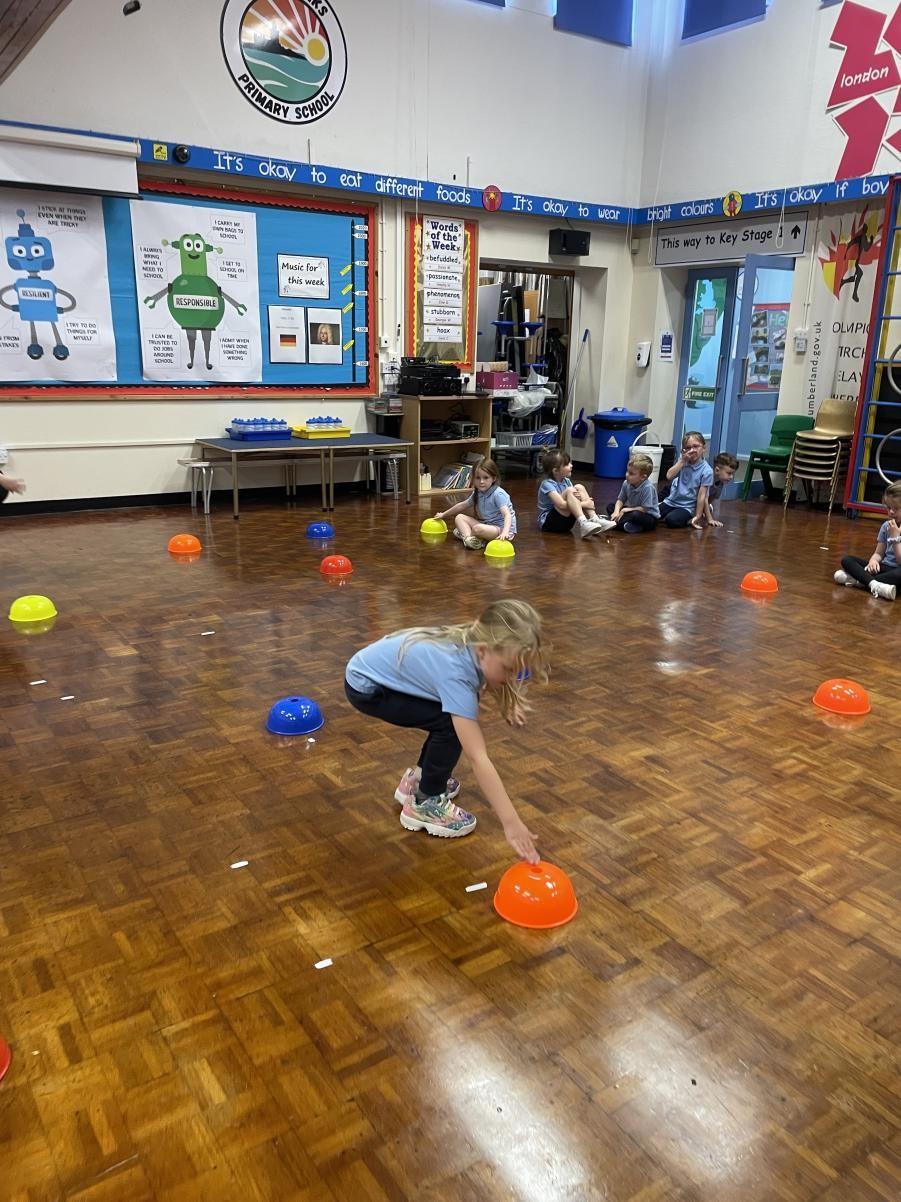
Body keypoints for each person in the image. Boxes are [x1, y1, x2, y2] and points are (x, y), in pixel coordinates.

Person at [344, 598, 546, 862]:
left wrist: (509, 700)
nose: (511, 677)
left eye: (517, 671)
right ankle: (426, 802)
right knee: (452, 724)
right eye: (509, 669)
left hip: (370, 672)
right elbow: (478, 758)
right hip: (367, 688)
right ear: (484, 649)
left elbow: (490, 675)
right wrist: (511, 822)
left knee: (454, 716)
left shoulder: (474, 640)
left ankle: (418, 781)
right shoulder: (456, 673)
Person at [834, 480, 901, 601]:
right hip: (884, 568)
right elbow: (879, 553)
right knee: (847, 560)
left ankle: (857, 580)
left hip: (897, 571)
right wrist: (873, 561)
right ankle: (875, 585)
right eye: (888, 507)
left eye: (896, 508)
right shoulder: (886, 526)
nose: (891, 512)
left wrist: (895, 538)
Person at [436, 457, 516, 549]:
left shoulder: (498, 494)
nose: (481, 482)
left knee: (477, 528)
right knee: (459, 517)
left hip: (500, 529)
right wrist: (443, 514)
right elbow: (462, 505)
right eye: (478, 478)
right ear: (473, 478)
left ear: (494, 478)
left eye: (486, 478)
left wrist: (505, 532)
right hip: (486, 524)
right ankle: (470, 539)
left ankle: (468, 536)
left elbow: (507, 515)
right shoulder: (478, 492)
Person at [536, 449, 614, 538]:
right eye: (566, 464)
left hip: (567, 521)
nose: (571, 466)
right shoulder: (547, 484)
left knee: (579, 487)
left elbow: (574, 501)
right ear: (555, 471)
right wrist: (586, 504)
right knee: (570, 490)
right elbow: (561, 505)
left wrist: (580, 502)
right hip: (550, 523)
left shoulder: (567, 481)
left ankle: (594, 518)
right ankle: (583, 522)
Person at [659, 430, 713, 528]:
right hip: (672, 500)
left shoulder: (707, 471)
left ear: (704, 448)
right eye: (688, 448)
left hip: (688, 506)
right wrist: (682, 461)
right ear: (684, 450)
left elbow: (702, 496)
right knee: (653, 514)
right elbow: (669, 476)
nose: (692, 450)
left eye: (696, 446)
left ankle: (687, 517)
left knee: (672, 521)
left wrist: (698, 516)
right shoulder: (683, 461)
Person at [606, 452, 659, 533]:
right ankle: (627, 525)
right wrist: (616, 511)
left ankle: (615, 524)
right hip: (631, 510)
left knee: (635, 515)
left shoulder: (648, 487)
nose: (627, 475)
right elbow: (620, 500)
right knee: (610, 507)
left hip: (647, 516)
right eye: (627, 471)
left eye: (631, 473)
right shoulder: (626, 483)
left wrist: (624, 510)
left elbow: (644, 509)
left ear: (643, 477)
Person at [692, 451, 738, 528]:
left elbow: (710, 498)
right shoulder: (708, 477)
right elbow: (704, 499)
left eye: (733, 474)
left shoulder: (720, 482)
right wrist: (710, 519)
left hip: (696, 502)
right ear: (717, 470)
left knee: (707, 509)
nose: (731, 477)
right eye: (729, 473)